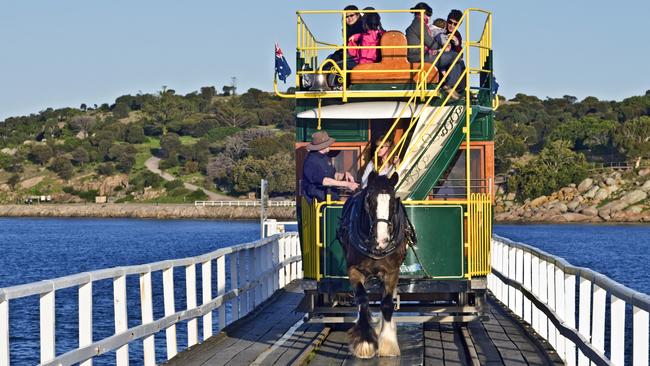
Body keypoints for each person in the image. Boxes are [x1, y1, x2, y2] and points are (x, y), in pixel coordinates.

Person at [405, 2, 465, 99]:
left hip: (421, 55)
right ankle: (449, 86)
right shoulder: (420, 25)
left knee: (458, 62)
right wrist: (443, 46)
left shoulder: (418, 24)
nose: (429, 18)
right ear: (422, 13)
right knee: (455, 56)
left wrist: (455, 43)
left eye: (455, 24)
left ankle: (454, 89)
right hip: (420, 57)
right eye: (428, 15)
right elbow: (430, 43)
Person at [302, 131, 359, 202]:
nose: (330, 145)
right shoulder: (311, 161)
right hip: (320, 203)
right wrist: (347, 184)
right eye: (328, 143)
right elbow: (325, 181)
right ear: (322, 146)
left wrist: (344, 175)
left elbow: (333, 175)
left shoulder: (325, 157)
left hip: (332, 198)